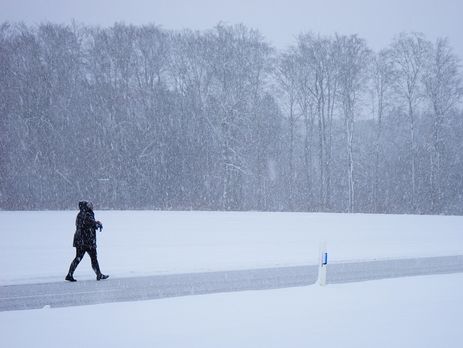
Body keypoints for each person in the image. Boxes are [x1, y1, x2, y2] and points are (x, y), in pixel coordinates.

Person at [65, 201, 109, 282]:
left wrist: (95, 224)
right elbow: (90, 223)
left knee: (79, 258)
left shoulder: (80, 214)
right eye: (89, 205)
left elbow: (86, 225)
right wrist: (97, 223)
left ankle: (70, 274)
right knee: (93, 258)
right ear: (85, 206)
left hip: (80, 240)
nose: (91, 206)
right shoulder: (87, 214)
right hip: (87, 241)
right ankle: (98, 274)